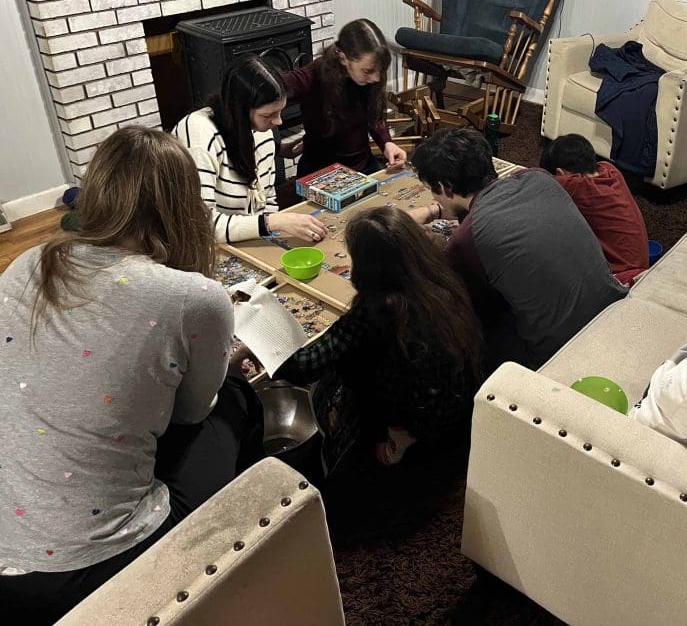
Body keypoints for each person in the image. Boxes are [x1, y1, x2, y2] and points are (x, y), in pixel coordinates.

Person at [0, 128, 263, 625]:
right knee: (233, 395)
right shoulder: (193, 296)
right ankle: (242, 542)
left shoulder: (27, 261)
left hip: (5, 559)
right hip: (89, 568)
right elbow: (191, 414)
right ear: (184, 206)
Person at [274, 205, 482, 474]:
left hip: (413, 421)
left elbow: (303, 366)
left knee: (329, 383)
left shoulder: (379, 309)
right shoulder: (440, 275)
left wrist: (265, 333)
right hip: (456, 408)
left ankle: (392, 443)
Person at [409, 128, 628, 369]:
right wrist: (439, 211)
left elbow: (464, 303)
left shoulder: (465, 241)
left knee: (461, 324)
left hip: (558, 355)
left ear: (445, 186)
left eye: (432, 190)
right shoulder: (539, 177)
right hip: (613, 313)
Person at [172, 55, 327, 245]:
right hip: (207, 247)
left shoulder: (262, 132)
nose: (278, 122)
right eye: (268, 115)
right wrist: (272, 223)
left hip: (247, 241)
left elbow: (267, 202)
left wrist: (273, 228)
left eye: (280, 112)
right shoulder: (199, 131)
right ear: (239, 110)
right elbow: (198, 226)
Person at [283, 19, 407, 177]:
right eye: (368, 71)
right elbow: (263, 92)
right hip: (321, 171)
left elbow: (374, 114)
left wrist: (387, 142)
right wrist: (277, 147)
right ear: (343, 58)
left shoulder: (372, 75)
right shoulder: (312, 76)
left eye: (380, 71)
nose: (376, 78)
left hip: (363, 165)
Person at [540, 134, 650, 285]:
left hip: (621, 279)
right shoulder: (610, 170)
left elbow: (537, 182)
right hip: (641, 266)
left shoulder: (577, 187)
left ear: (560, 174)